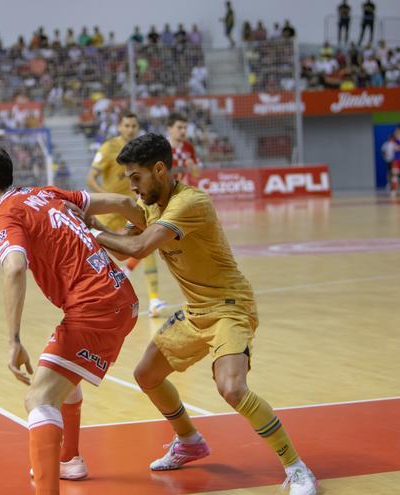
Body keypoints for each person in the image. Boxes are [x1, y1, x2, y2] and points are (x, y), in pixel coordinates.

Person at [79, 133, 318, 495]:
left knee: (232, 389)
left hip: (229, 307)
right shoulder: (152, 207)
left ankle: (297, 468)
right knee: (146, 374)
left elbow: (138, 247)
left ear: (160, 169)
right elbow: (125, 231)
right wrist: (79, 217)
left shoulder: (190, 203)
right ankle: (189, 441)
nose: (132, 185)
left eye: (136, 177)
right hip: (194, 312)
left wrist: (91, 230)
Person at [0, 143, 139, 495]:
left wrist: (14, 341)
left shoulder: (6, 216)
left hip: (94, 308)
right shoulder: (46, 192)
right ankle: (69, 459)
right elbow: (125, 204)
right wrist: (156, 237)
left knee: (38, 399)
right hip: (122, 298)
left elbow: (14, 268)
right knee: (60, 375)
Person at [87, 111, 166, 317]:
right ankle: (99, 299)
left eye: (134, 126)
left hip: (133, 209)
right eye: (127, 125)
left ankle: (155, 300)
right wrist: (107, 199)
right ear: (119, 127)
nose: (130, 129)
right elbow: (91, 178)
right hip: (110, 211)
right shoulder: (108, 148)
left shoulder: (142, 151)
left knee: (148, 248)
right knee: (100, 255)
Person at [166, 113, 201, 186]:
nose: (183, 131)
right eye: (179, 127)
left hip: (184, 191)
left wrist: (193, 167)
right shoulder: (162, 147)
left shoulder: (189, 147)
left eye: (185, 128)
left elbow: (197, 174)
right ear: (169, 129)